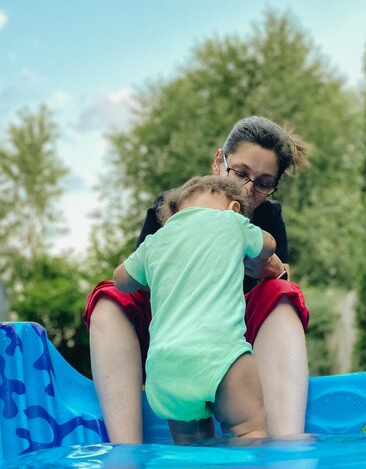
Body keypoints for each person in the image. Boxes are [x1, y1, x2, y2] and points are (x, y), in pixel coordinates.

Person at [84, 116, 310, 443]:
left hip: (234, 344)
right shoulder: (174, 208)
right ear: (219, 161)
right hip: (172, 335)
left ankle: (287, 445)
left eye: (263, 182)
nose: (249, 188)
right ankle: (126, 450)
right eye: (241, 173)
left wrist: (267, 267)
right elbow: (137, 282)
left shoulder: (268, 217)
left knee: (283, 292)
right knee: (107, 297)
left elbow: (282, 276)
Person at [113, 176, 276, 444]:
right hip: (220, 354)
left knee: (191, 451)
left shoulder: (155, 240)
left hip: (166, 369)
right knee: (249, 432)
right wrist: (253, 254)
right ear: (234, 207)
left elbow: (120, 280)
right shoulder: (231, 221)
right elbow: (268, 246)